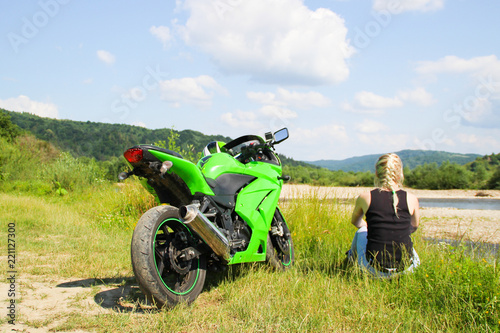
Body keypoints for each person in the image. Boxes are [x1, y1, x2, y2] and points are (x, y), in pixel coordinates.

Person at [348, 153, 420, 278]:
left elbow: (355, 222)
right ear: (400, 174)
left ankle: (349, 261)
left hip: (373, 269)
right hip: (406, 269)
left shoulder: (365, 197)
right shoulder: (412, 198)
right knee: (409, 244)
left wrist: (371, 227)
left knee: (361, 232)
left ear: (376, 173)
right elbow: (413, 227)